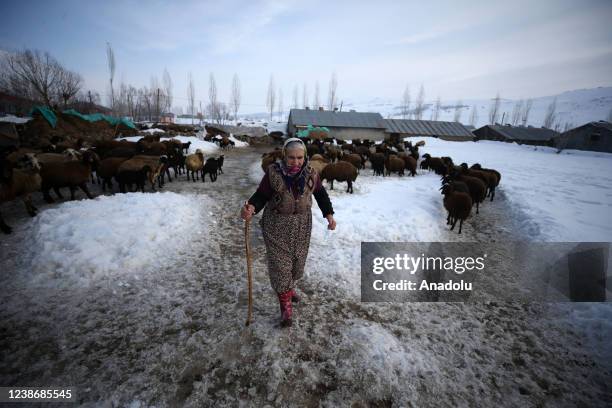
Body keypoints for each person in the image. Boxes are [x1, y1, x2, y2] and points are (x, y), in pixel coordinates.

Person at [241, 137, 336, 327]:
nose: (296, 161)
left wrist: (329, 215)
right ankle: (285, 307)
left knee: (296, 264)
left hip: (301, 225)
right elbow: (261, 195)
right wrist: (251, 207)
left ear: (305, 156)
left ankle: (289, 289)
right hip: (276, 224)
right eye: (291, 157)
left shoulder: (311, 173)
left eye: (300, 157)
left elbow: (320, 194)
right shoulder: (273, 173)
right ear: (284, 155)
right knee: (280, 266)